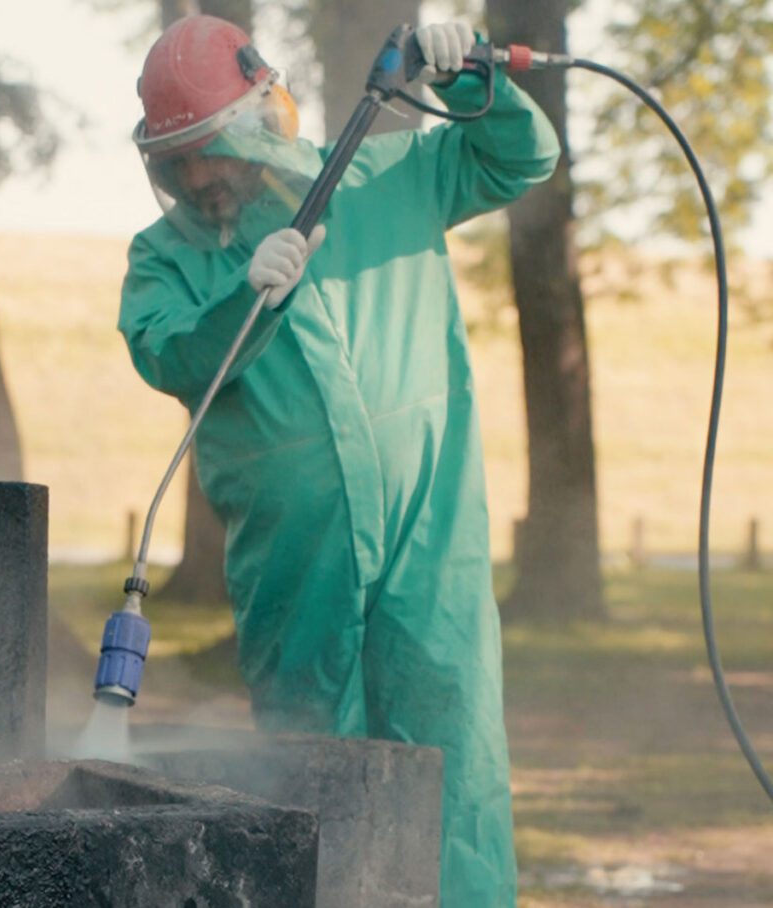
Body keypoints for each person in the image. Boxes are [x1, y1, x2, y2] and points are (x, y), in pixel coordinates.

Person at [119, 14, 560, 906]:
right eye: (179, 161)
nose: (200, 176)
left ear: (263, 114)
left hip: (427, 543)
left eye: (213, 148)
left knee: (452, 758)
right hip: (294, 565)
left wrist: (469, 82)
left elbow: (522, 159)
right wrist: (241, 306)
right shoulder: (166, 258)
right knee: (311, 775)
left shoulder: (388, 175)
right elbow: (165, 354)